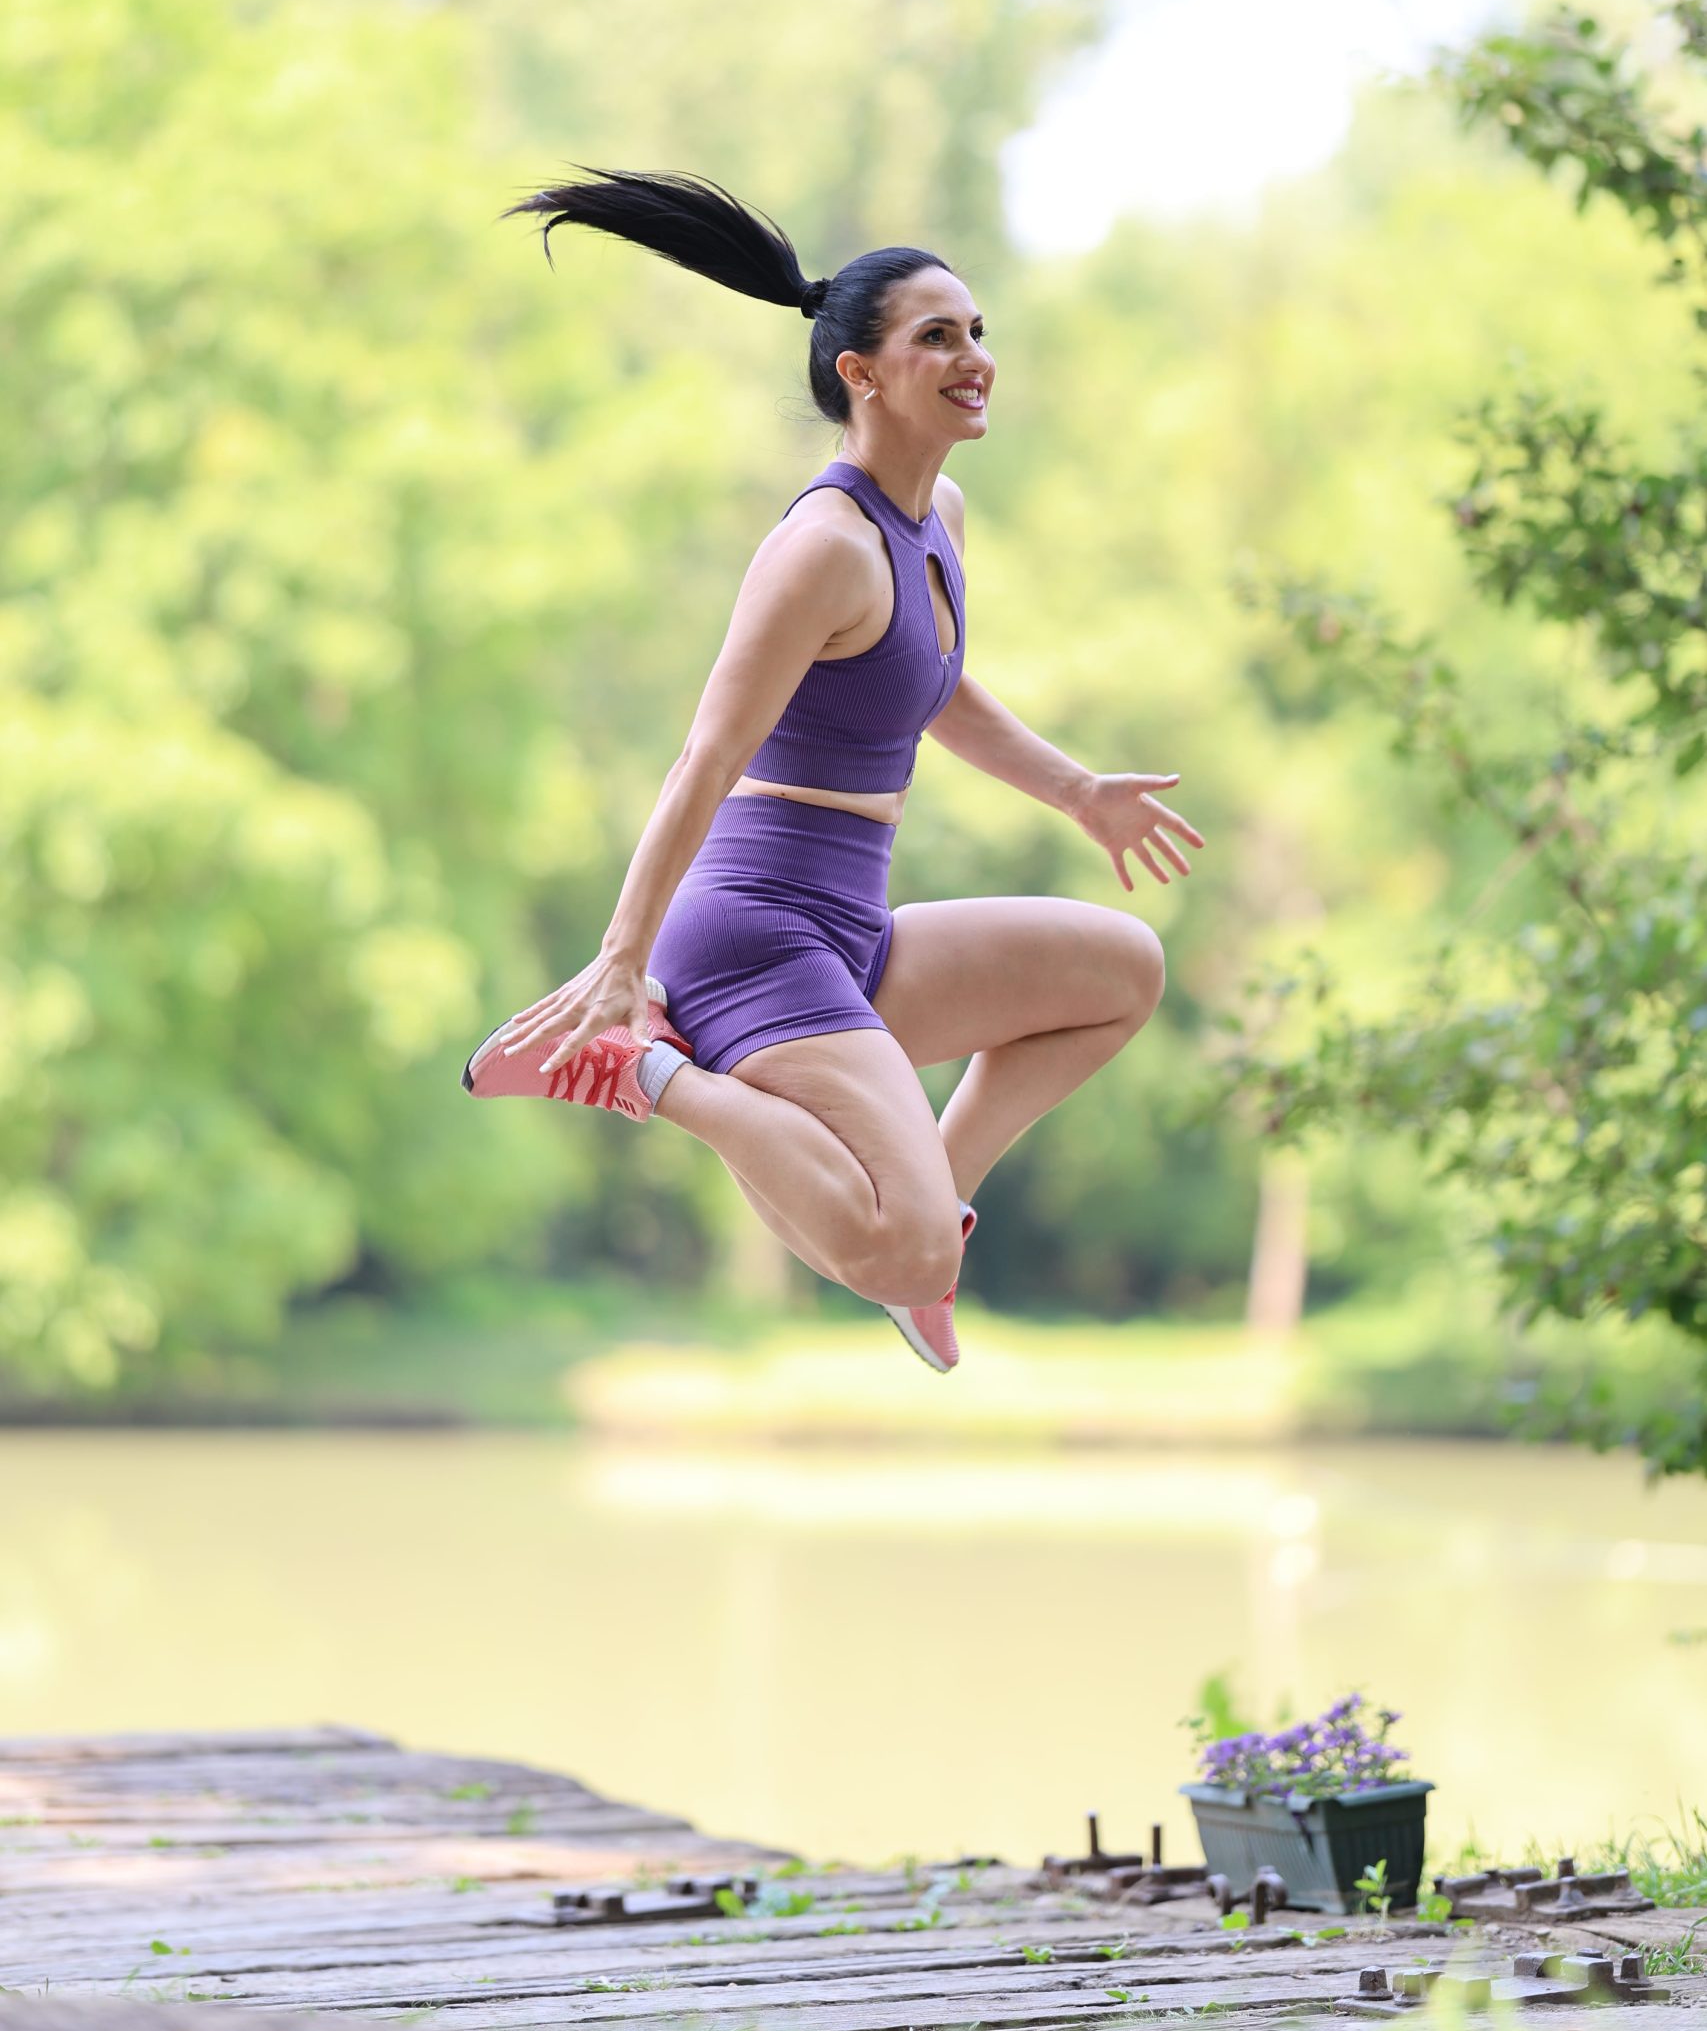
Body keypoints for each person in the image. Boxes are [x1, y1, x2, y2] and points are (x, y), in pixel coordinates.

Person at [463, 167, 1202, 1370]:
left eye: (976, 332)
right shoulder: (819, 547)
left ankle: (934, 1209)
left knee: (1123, 968)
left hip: (847, 923)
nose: (974, 356)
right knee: (900, 1253)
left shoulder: (939, 517)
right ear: (860, 373)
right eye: (937, 337)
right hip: (751, 933)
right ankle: (640, 1066)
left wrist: (1078, 790)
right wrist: (620, 960)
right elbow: (705, 758)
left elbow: (931, 685)